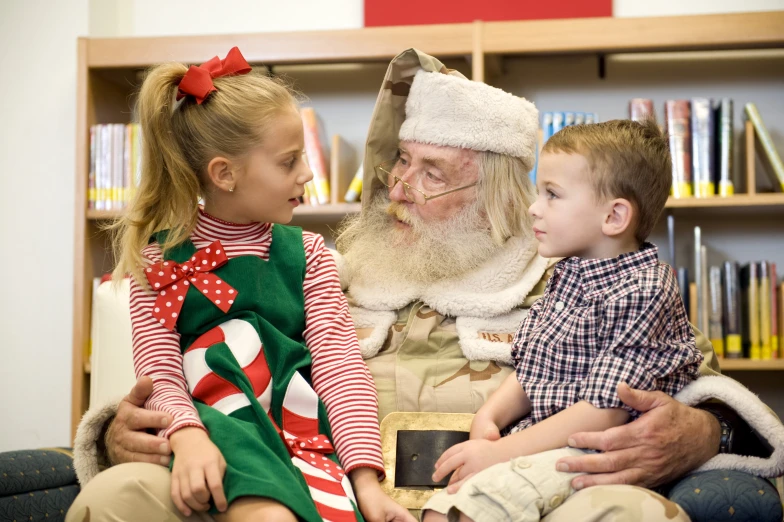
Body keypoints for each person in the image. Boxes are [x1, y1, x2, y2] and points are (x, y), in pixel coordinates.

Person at [68, 49, 784, 522]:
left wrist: (697, 432)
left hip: (510, 502)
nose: (399, 190)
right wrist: (127, 431)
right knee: (120, 496)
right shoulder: (324, 270)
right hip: (307, 494)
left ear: (500, 193)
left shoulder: (578, 282)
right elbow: (186, 358)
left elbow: (695, 386)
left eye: (430, 172)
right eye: (400, 165)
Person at [73, 46, 412, 522]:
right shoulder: (157, 262)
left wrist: (366, 479)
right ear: (224, 174)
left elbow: (340, 371)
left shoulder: (309, 255)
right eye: (288, 161)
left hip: (298, 434)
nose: (308, 173)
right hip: (214, 434)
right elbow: (161, 375)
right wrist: (187, 438)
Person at [421, 118, 704, 521]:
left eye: (552, 194)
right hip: (541, 446)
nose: (534, 208)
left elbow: (605, 410)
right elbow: (533, 369)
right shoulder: (567, 276)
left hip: (593, 451)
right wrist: (490, 417)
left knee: (467, 512)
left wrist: (499, 452)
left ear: (614, 217)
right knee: (440, 510)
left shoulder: (644, 289)